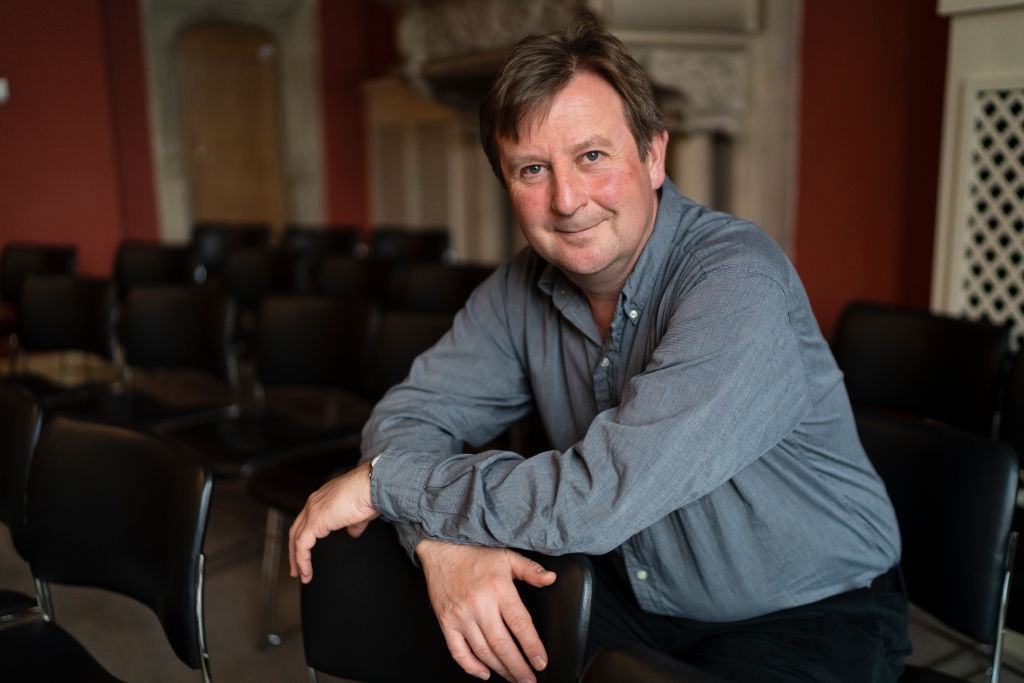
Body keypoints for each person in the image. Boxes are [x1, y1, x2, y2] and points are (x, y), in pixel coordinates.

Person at [289, 11, 910, 683]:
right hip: (630, 588)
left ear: (653, 157)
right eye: (532, 169)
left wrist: (389, 486)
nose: (566, 199)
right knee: (439, 622)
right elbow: (407, 417)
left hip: (810, 609)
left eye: (592, 156)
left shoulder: (736, 279)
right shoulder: (518, 288)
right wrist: (439, 545)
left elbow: (597, 496)